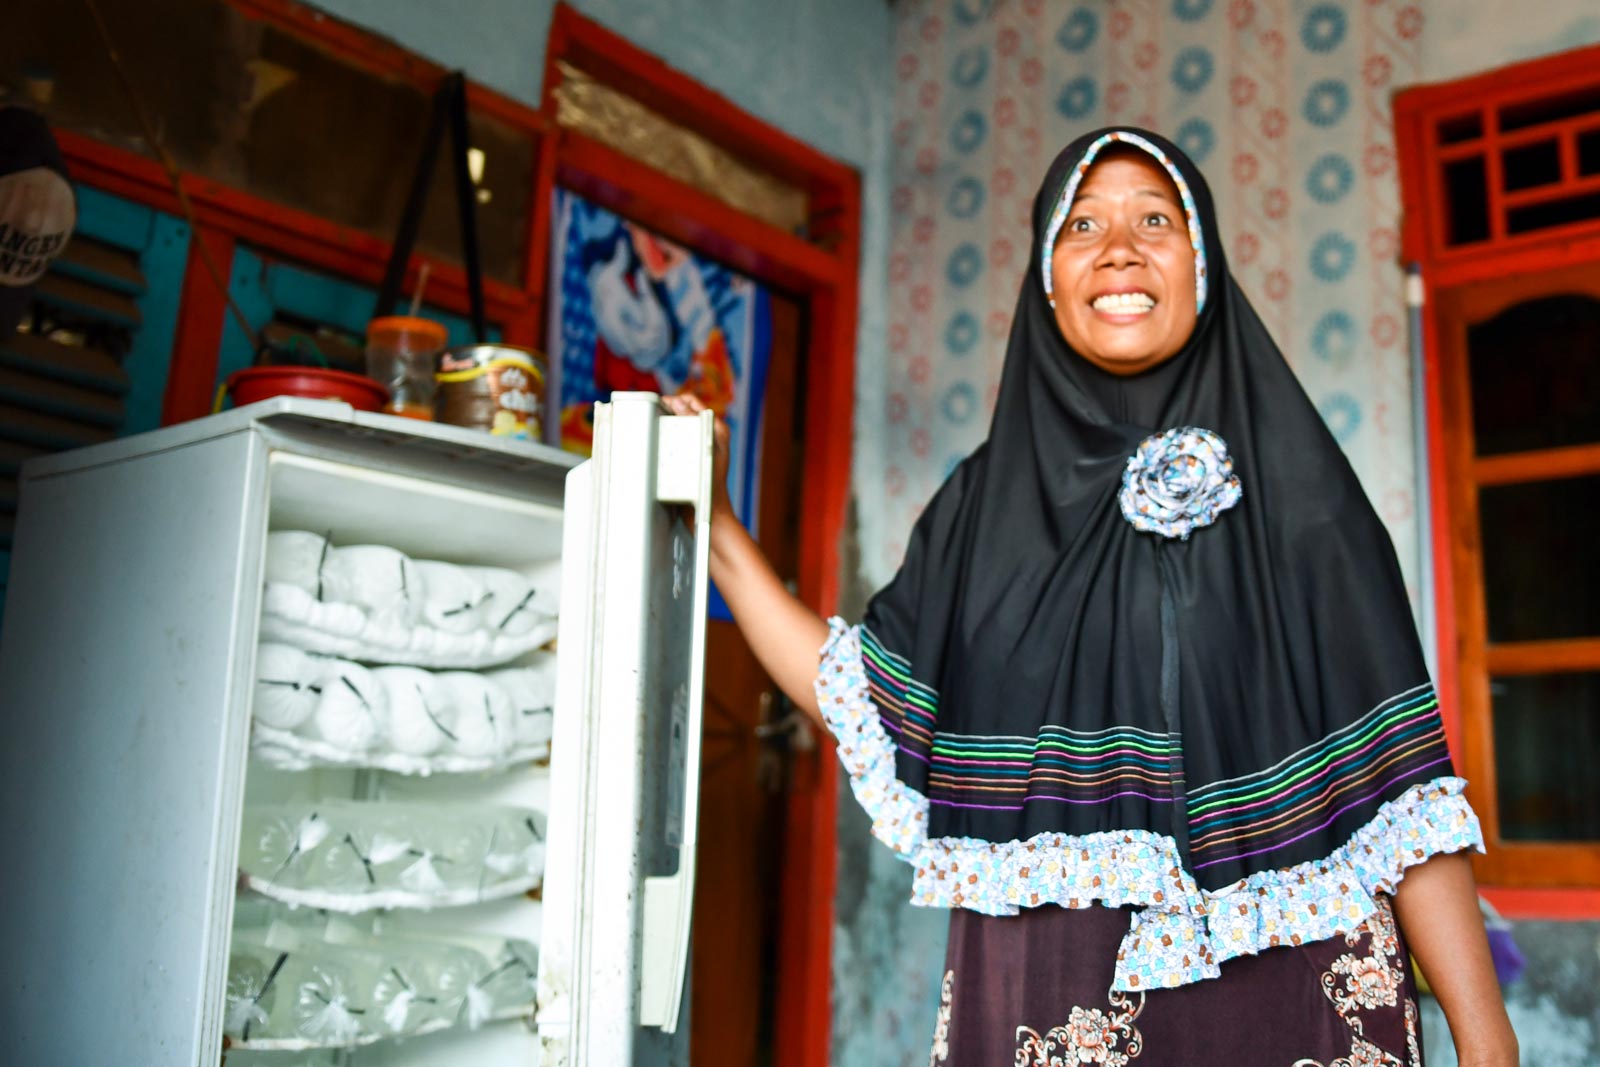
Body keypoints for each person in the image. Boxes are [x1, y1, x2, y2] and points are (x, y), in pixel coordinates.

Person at [664, 126, 1517, 1066]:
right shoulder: (982, 510)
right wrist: (725, 534)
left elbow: (1400, 788)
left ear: (1203, 263)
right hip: (1049, 1003)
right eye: (1082, 225)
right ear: (1046, 279)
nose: (1119, 247)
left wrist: (1487, 1040)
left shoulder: (1305, 493)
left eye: (1156, 218)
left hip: (1293, 1000)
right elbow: (858, 693)